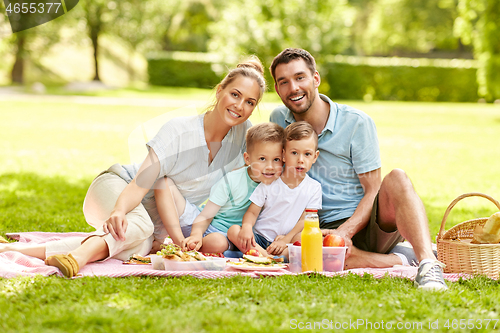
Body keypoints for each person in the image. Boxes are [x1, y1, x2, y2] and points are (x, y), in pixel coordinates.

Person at [0, 57, 267, 278]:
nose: (240, 106)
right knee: (139, 228)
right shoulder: (179, 130)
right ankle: (78, 259)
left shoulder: (243, 140)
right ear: (220, 90)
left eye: (250, 102)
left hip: (152, 222)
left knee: (138, 244)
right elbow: (141, 182)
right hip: (116, 188)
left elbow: (267, 158)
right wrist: (119, 210)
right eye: (235, 94)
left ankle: (19, 252)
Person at [269, 48, 447, 290]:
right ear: (278, 89)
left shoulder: (356, 122)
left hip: (365, 224)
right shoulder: (279, 119)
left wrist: (344, 232)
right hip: (314, 228)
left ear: (316, 78)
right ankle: (399, 259)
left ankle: (428, 264)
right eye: (284, 82)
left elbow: (373, 190)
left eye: (300, 77)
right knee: (302, 249)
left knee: (398, 178)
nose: (293, 88)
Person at [155, 122, 285, 253]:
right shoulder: (232, 180)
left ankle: (192, 248)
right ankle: (181, 242)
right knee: (163, 185)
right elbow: (206, 215)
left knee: (217, 243)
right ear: (248, 159)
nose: (270, 166)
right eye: (262, 159)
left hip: (230, 237)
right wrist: (196, 234)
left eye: (276, 159)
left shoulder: (280, 185)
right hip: (205, 224)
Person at [228, 121, 322, 260]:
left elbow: (305, 220)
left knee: (303, 241)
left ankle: (258, 256)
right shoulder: (270, 182)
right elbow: (252, 212)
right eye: (294, 153)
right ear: (284, 155)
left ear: (315, 156)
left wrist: (285, 240)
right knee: (234, 230)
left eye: (307, 154)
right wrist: (247, 228)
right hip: (259, 239)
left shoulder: (314, 188)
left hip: (286, 242)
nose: (300, 160)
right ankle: (266, 257)